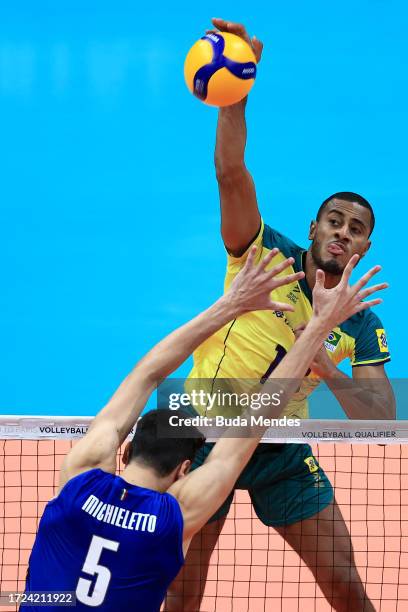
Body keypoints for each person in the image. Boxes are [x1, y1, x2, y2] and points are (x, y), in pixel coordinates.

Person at [165, 18, 395, 612]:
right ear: (314, 226)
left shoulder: (358, 321)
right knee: (181, 589)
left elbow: (382, 419)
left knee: (346, 584)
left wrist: (324, 360)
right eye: (334, 221)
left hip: (279, 443)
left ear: (365, 247)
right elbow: (230, 173)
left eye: (357, 229)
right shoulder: (263, 253)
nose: (343, 233)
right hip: (200, 429)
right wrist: (236, 93)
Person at [22, 249, 384, 612]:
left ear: (128, 451)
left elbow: (145, 374)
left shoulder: (79, 479)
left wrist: (230, 305)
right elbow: (253, 422)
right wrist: (319, 327)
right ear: (184, 471)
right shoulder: (174, 519)